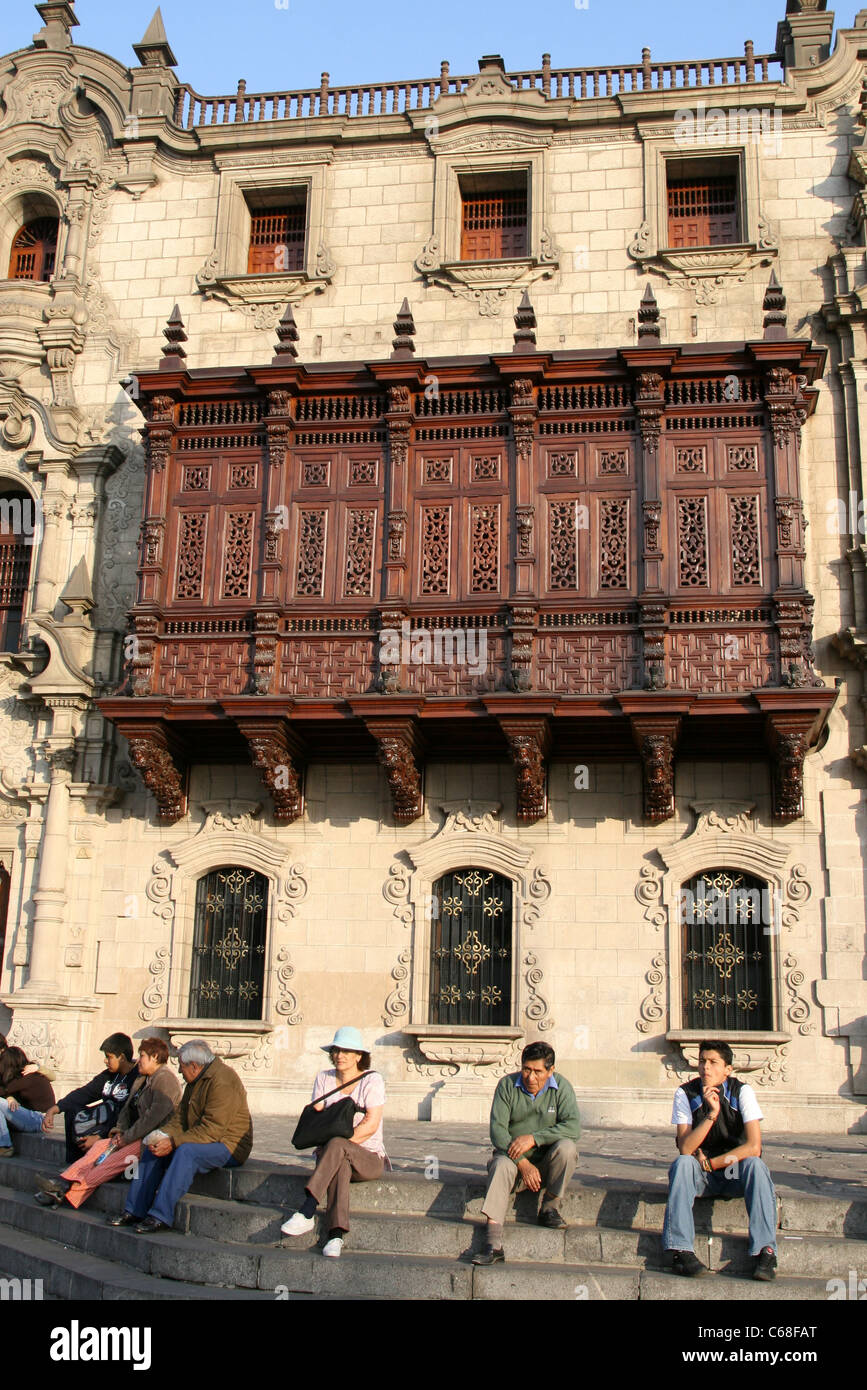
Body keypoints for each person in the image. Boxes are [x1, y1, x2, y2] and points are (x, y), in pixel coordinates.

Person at [107, 1039, 252, 1234]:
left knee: (186, 1152)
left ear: (194, 1066)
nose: (179, 1071)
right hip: (205, 1138)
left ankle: (160, 1215)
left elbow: (212, 1130)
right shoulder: (196, 1080)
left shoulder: (223, 1081)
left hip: (228, 1145)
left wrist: (174, 1142)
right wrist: (161, 1135)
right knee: (153, 1146)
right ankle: (134, 1210)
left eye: (181, 1067)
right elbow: (181, 1118)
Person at [662, 1039, 778, 1280]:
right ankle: (681, 1250)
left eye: (714, 1062)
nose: (706, 1067)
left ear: (728, 1069)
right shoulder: (685, 1093)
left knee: (756, 1166)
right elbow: (685, 1148)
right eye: (702, 1061)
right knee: (682, 1164)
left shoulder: (741, 1092)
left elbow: (753, 1147)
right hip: (701, 1176)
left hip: (733, 1173)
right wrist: (711, 1115)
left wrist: (713, 1163)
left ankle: (765, 1251)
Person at [34, 1038, 181, 1210]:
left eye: (142, 1056)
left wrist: (126, 1138)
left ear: (155, 1057)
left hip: (149, 1140)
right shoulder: (143, 1078)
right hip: (132, 1136)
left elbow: (151, 1120)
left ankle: (65, 1194)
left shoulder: (165, 1080)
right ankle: (62, 1182)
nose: (138, 1060)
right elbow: (126, 1110)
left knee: (108, 1163)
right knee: (98, 1149)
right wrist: (118, 1132)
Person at [281, 1026, 388, 1258]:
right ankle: (336, 1236)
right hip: (334, 1158)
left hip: (367, 1158)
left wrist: (339, 1144)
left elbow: (371, 1124)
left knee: (338, 1147)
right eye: (336, 1050)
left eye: (347, 1051)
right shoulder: (324, 1078)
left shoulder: (372, 1080)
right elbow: (317, 1115)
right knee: (339, 1164)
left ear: (359, 1055)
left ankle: (307, 1209)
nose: (340, 1055)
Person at [472, 1041, 581, 1267]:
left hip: (545, 1162)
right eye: (526, 1069)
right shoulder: (507, 1085)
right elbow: (497, 1131)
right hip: (512, 1159)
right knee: (500, 1165)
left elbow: (573, 1127)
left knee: (567, 1149)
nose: (531, 1077)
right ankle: (493, 1244)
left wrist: (534, 1138)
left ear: (551, 1070)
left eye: (538, 1071)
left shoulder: (562, 1088)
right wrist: (522, 1163)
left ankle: (550, 1208)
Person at [42, 1033, 139, 1162]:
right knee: (72, 1110)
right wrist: (55, 1109)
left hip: (118, 1129)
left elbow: (126, 1115)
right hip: (102, 1120)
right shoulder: (109, 1075)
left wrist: (100, 1136)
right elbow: (85, 1093)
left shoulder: (136, 1078)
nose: (105, 1061)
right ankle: (72, 1164)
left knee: (114, 1110)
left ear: (121, 1057)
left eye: (108, 1057)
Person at [0, 1046, 56, 1155]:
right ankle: (3, 1145)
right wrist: (10, 1097)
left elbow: (4, 1090)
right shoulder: (25, 1075)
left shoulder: (26, 1077)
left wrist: (8, 1096)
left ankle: (5, 1145)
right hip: (34, 1117)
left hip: (39, 1120)